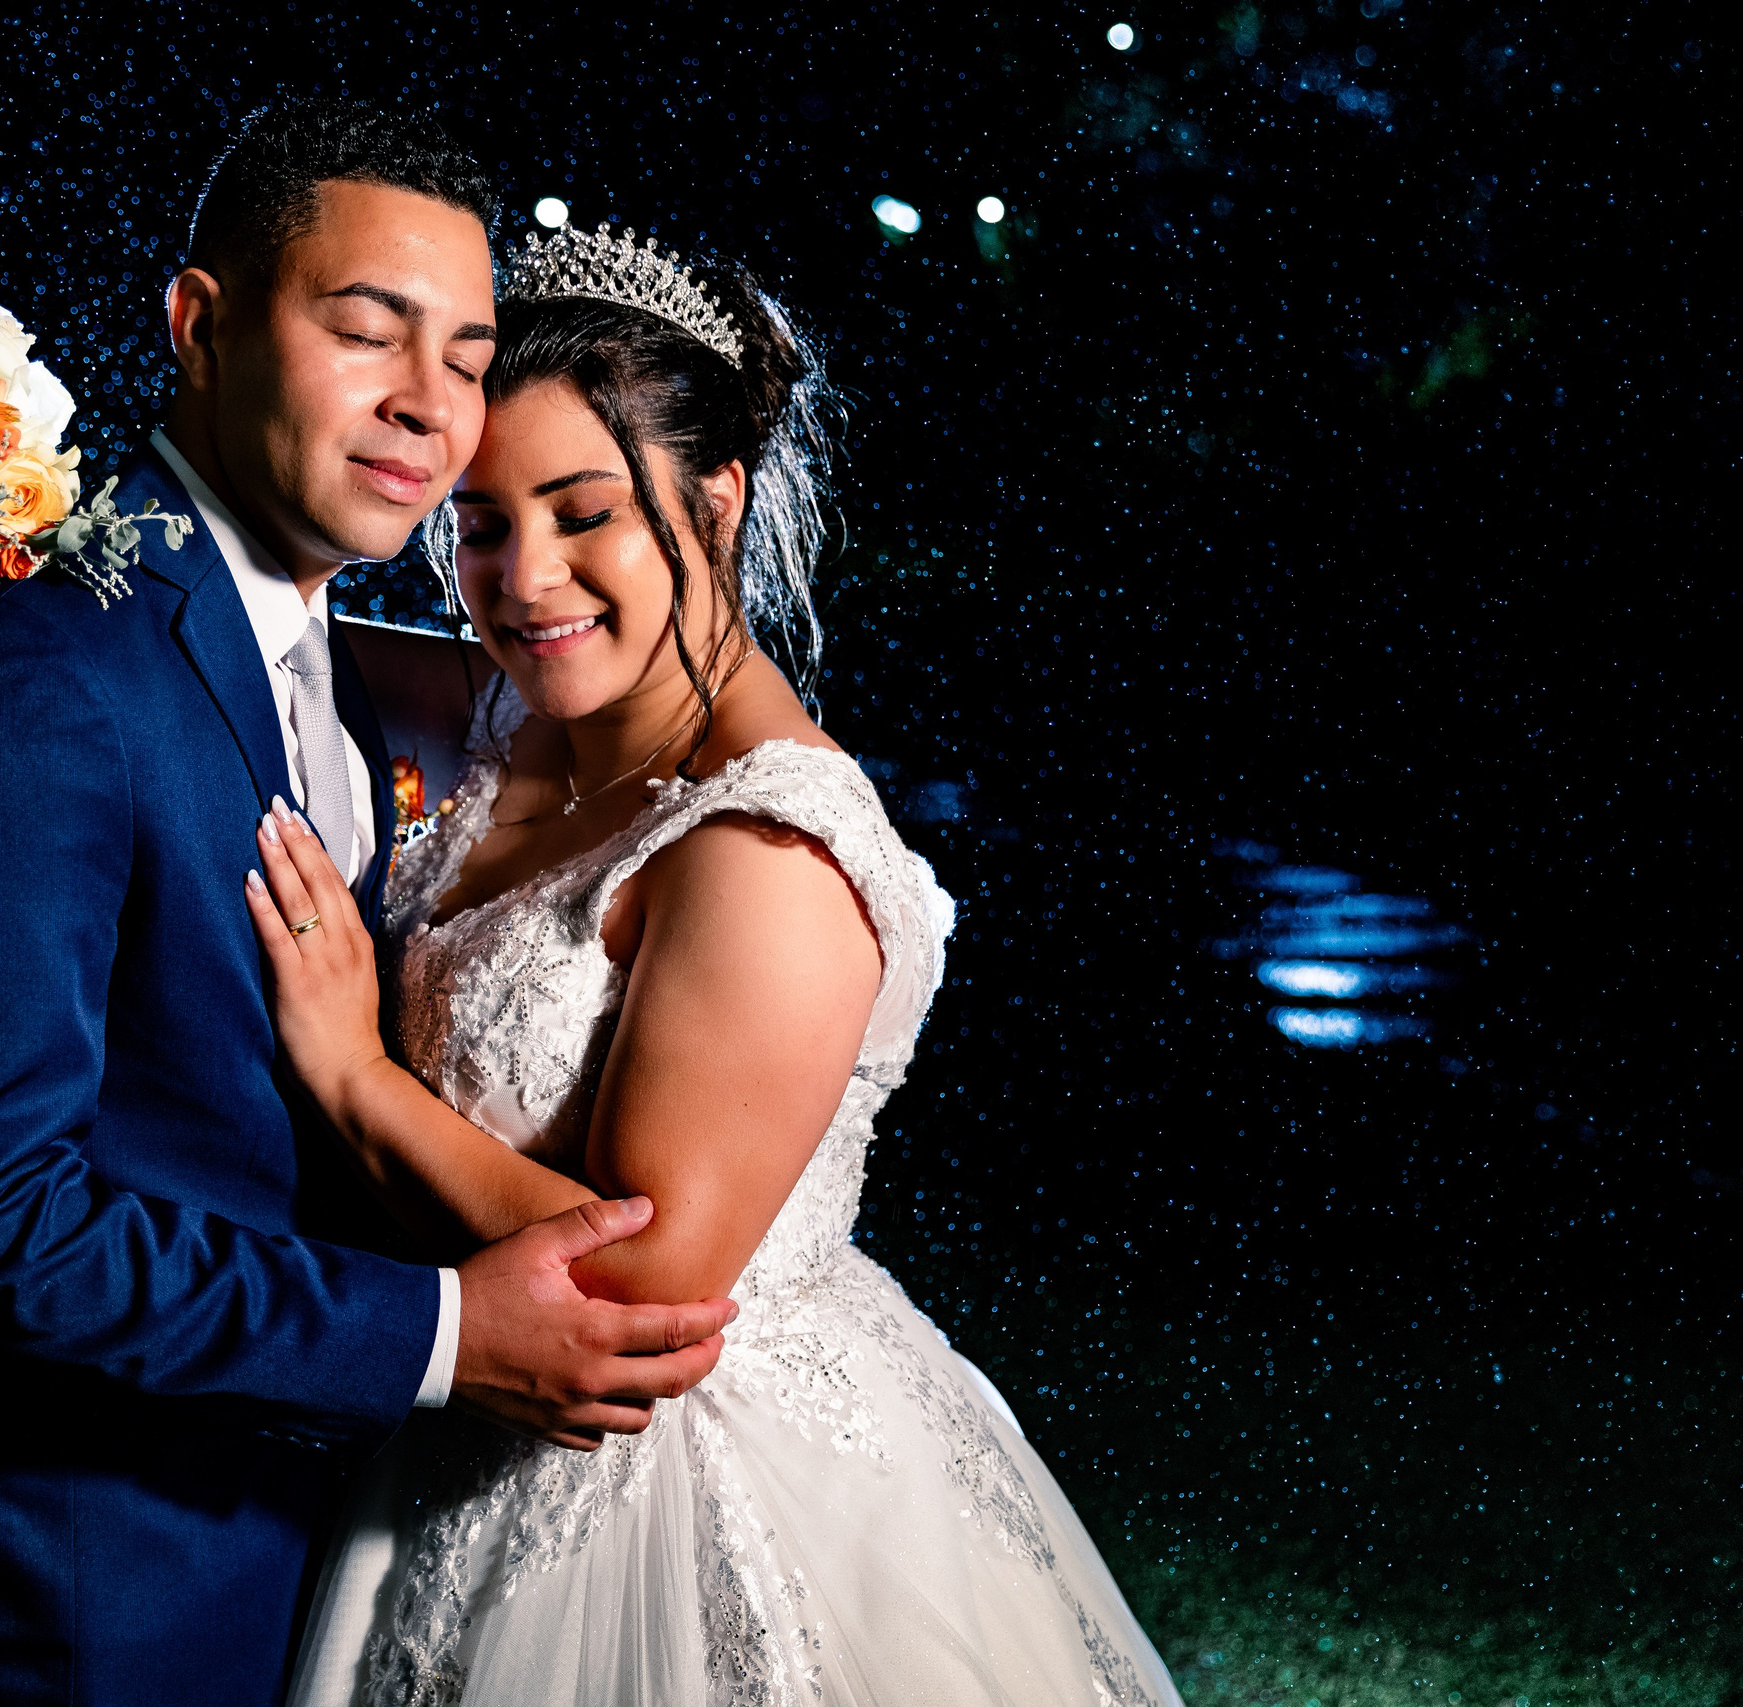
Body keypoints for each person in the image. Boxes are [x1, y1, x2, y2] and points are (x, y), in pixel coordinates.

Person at [0, 103, 740, 1707]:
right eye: (368, 331)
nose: (429, 408)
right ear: (200, 326)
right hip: (72, 1607)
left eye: (469, 357)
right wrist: (437, 1338)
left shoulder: (336, 667)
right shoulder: (33, 669)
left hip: (308, 1569)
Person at [252, 229, 1188, 1705]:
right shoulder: (521, 730)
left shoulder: (771, 851)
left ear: (717, 496)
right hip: (443, 1440)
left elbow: (640, 1287)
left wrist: (358, 1077)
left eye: (585, 515)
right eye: (481, 523)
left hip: (667, 1510)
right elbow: (257, 632)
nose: (524, 578)